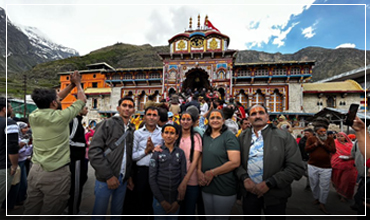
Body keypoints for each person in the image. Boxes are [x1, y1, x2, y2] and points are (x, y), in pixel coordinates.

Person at [23, 71, 86, 215]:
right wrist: (78, 84)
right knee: (52, 212)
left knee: (31, 209)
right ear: (53, 103)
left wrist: (70, 85)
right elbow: (82, 101)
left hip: (35, 170)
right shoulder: (61, 117)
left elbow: (56, 99)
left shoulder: (33, 116)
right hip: (56, 173)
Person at [236, 104, 304, 218]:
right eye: (253, 114)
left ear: (267, 116)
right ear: (248, 119)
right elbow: (236, 163)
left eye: (261, 113)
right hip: (249, 193)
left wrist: (270, 183)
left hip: (275, 195)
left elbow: (296, 168)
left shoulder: (284, 137)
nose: (257, 116)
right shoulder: (242, 137)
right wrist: (244, 178)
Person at [88, 97, 135, 219]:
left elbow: (127, 155)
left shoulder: (131, 129)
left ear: (133, 110)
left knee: (117, 213)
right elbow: (94, 152)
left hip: (123, 178)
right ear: (118, 108)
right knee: (99, 213)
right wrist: (108, 176)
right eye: (124, 105)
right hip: (105, 178)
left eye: (130, 106)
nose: (127, 108)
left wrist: (128, 176)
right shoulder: (107, 124)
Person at [199, 109, 240, 218]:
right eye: (212, 118)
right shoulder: (206, 137)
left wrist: (212, 172)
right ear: (208, 120)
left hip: (223, 187)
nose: (215, 120)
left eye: (218, 118)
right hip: (207, 186)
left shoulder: (229, 136)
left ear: (223, 120)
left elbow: (235, 162)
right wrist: (199, 172)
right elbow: (201, 155)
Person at [149, 123, 186, 218]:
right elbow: (152, 178)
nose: (169, 135)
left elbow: (183, 177)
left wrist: (178, 201)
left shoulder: (181, 153)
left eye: (172, 133)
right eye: (166, 132)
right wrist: (162, 201)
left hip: (175, 200)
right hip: (159, 200)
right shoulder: (156, 153)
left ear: (176, 136)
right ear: (162, 135)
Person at [131, 106, 163, 216]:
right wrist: (146, 151)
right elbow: (132, 156)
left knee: (155, 202)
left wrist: (155, 151)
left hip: (158, 172)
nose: (151, 117)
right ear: (144, 117)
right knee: (141, 203)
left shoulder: (163, 133)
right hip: (142, 172)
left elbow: (167, 154)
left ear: (158, 118)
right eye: (149, 114)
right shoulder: (137, 133)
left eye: (154, 115)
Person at [305, 118, 336, 215]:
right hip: (312, 165)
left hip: (326, 167)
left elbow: (333, 150)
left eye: (324, 131)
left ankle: (322, 203)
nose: (323, 133)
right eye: (321, 131)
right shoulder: (311, 139)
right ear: (316, 132)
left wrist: (323, 144)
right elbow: (306, 149)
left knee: (325, 186)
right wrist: (315, 144)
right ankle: (317, 198)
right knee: (314, 184)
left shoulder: (330, 139)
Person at [177, 112, 202, 218]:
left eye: (188, 119)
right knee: (177, 211)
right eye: (183, 119)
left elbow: (195, 161)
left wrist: (185, 181)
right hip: (176, 178)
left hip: (192, 180)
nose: (185, 122)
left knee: (189, 211)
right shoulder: (175, 136)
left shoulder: (196, 137)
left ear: (193, 122)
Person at [68, 106, 89, 215]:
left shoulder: (78, 121)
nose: (87, 110)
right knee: (76, 185)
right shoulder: (75, 120)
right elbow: (69, 140)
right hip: (76, 159)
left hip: (79, 158)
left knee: (81, 180)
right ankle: (73, 211)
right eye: (85, 108)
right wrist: (84, 145)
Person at [0, 97, 19, 208]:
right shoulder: (9, 123)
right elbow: (12, 147)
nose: (12, 109)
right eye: (10, 107)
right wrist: (14, 165)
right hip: (2, 167)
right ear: (4, 109)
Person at [331, 132, 357, 202]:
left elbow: (355, 154)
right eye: (338, 136)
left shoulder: (351, 145)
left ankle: (344, 195)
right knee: (338, 180)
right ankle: (339, 192)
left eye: (341, 136)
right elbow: (331, 153)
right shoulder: (334, 143)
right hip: (337, 164)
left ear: (345, 137)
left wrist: (350, 157)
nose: (339, 137)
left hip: (350, 166)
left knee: (347, 181)